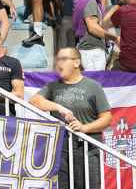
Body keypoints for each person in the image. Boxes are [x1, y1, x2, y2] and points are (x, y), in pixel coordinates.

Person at [30, 47, 112, 189]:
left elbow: (107, 118)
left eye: (63, 59)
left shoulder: (93, 86)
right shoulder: (53, 86)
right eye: (57, 60)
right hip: (61, 150)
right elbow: (34, 101)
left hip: (87, 149)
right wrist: (59, 108)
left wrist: (84, 128)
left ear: (76, 62)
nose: (59, 63)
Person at [71, 0, 118, 71]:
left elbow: (99, 23)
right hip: (92, 52)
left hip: (88, 50)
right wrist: (115, 38)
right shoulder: (89, 0)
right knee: (95, 81)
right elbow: (93, 28)